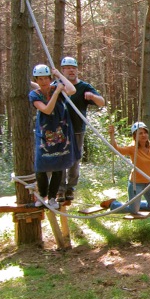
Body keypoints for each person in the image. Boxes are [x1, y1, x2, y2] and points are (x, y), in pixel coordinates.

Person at [29, 64, 78, 210]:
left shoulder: (57, 87)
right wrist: (56, 92)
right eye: (40, 79)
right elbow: (47, 110)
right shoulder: (34, 95)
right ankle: (42, 195)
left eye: (46, 78)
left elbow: (72, 90)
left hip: (60, 132)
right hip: (44, 134)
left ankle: (52, 197)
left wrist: (59, 75)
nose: (43, 81)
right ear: (36, 80)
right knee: (41, 166)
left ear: (50, 78)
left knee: (58, 166)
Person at [57, 56, 105, 202]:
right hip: (59, 130)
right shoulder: (57, 86)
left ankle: (70, 188)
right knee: (60, 159)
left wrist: (92, 96)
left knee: (74, 159)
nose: (71, 70)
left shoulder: (84, 86)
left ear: (77, 70)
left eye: (74, 68)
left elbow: (102, 102)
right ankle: (60, 189)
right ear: (62, 70)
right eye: (68, 68)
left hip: (77, 129)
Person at [100, 122, 150, 215]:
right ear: (135, 136)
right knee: (133, 210)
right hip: (136, 183)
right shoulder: (132, 148)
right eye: (140, 133)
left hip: (149, 182)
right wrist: (112, 135)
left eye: (145, 132)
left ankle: (132, 204)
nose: (143, 135)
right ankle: (113, 204)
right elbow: (116, 150)